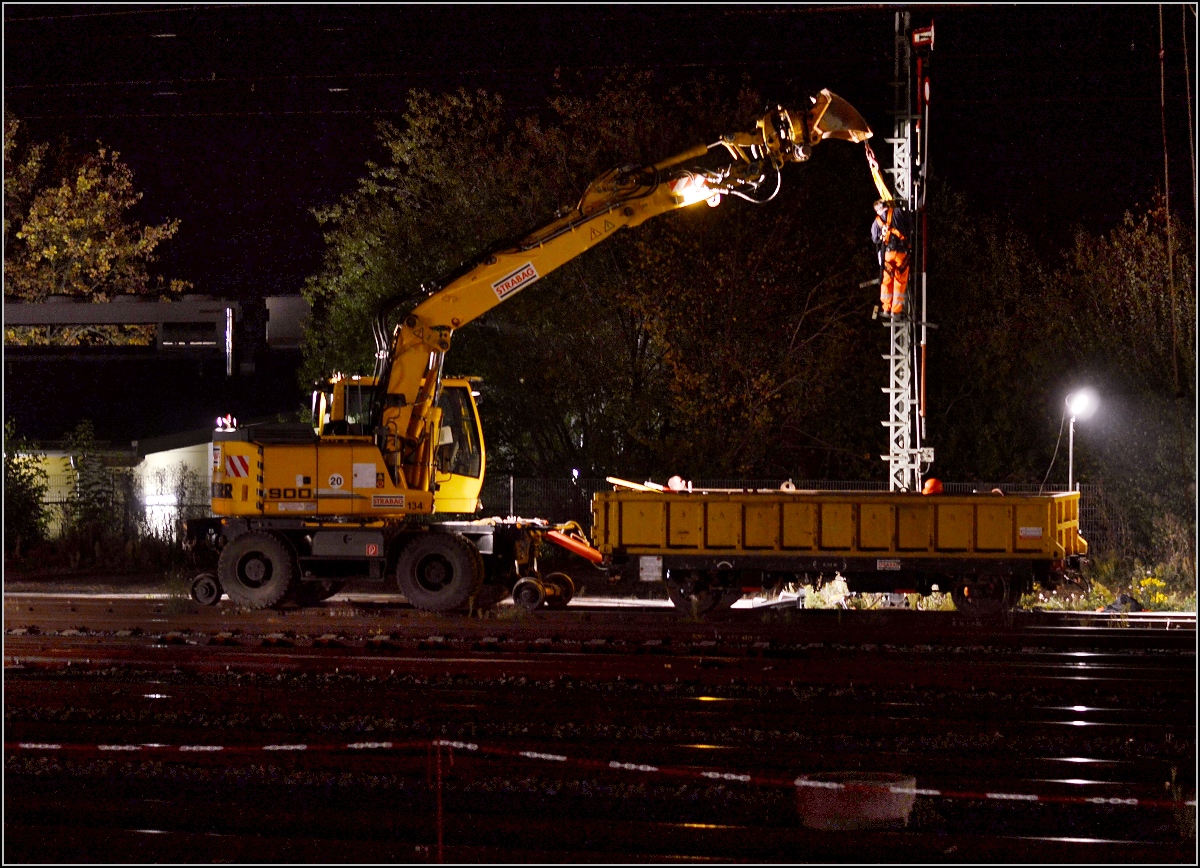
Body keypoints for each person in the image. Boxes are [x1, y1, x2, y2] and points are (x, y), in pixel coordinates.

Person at [871, 199, 912, 316]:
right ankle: (896, 310)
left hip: (887, 255)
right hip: (901, 253)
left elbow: (875, 239)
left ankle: (886, 308)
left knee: (887, 281)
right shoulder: (898, 212)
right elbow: (910, 227)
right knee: (900, 281)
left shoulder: (877, 221)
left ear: (878, 210)